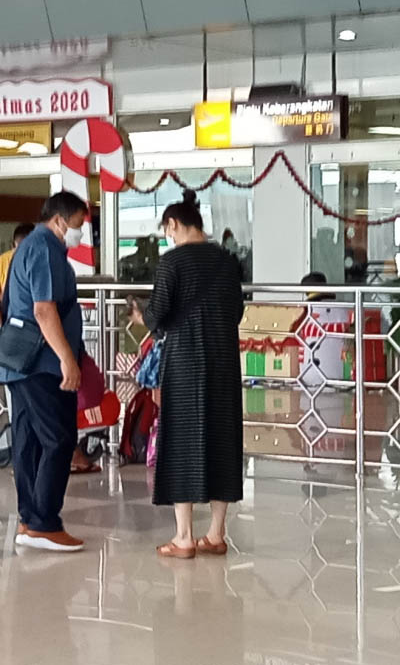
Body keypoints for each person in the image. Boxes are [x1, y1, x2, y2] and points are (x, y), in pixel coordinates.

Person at [142, 190, 246, 559]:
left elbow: (157, 313)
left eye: (166, 230)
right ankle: (216, 533)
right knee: (223, 439)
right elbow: (237, 312)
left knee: (181, 441)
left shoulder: (171, 262)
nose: (167, 236)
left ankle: (184, 537)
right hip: (223, 359)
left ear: (173, 224)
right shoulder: (227, 261)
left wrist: (143, 317)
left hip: (184, 360)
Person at [0, 192, 88, 553]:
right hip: (41, 362)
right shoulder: (44, 248)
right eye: (78, 224)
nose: (81, 232)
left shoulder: (33, 247)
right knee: (59, 438)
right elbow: (43, 310)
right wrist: (67, 358)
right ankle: (43, 523)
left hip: (22, 362)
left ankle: (30, 518)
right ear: (60, 221)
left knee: (30, 440)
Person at [0, 223, 36, 326]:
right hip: (37, 325)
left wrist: (2, 326)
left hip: (11, 324)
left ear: (12, 244)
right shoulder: (43, 261)